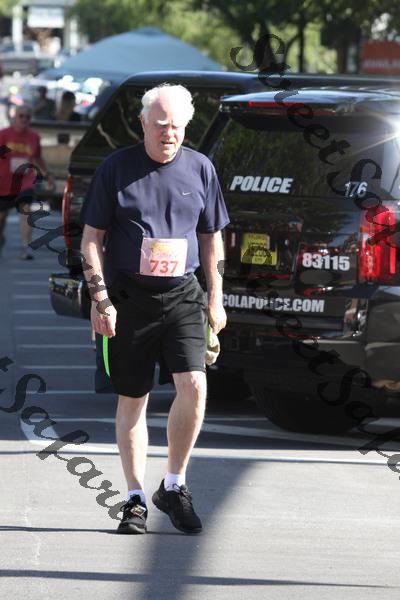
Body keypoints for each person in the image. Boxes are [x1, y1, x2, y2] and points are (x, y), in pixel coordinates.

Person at [81, 84, 229, 535]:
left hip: (183, 294)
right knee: (134, 398)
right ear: (143, 123)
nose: (169, 134)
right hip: (129, 297)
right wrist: (101, 298)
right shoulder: (116, 169)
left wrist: (216, 296)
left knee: (195, 385)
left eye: (177, 126)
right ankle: (134, 498)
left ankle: (174, 485)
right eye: (161, 125)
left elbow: (211, 237)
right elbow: (91, 239)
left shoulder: (201, 168)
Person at [0, 105, 55, 259]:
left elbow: (38, 157)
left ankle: (25, 248)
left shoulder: (34, 136)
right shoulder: (4, 135)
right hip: (4, 182)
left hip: (25, 181)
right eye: (21, 116)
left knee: (25, 210)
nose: (24, 119)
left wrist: (48, 174)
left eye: (27, 117)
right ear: (14, 117)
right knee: (1, 217)